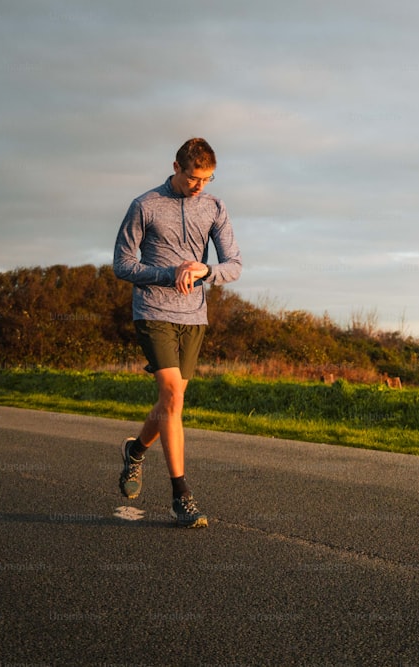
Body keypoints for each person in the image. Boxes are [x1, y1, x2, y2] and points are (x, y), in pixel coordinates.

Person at [112, 137, 242, 528]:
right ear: (176, 167)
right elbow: (122, 264)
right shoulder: (145, 205)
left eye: (208, 178)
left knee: (173, 402)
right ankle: (180, 496)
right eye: (193, 178)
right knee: (170, 395)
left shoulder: (215, 207)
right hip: (153, 310)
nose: (200, 185)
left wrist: (206, 271)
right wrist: (168, 274)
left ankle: (136, 451)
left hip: (194, 317)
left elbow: (234, 264)